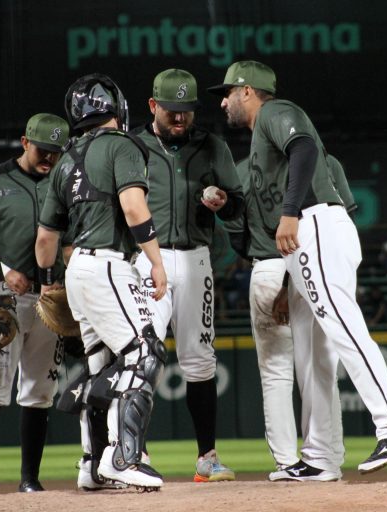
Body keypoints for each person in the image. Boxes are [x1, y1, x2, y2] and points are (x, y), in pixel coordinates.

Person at [210, 61, 387, 480]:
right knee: (313, 356)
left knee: (343, 327)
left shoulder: (276, 112)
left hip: (315, 225)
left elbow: (305, 148)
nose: (223, 100)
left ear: (249, 92)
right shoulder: (258, 143)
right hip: (301, 242)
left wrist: (291, 213)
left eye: (228, 92)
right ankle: (321, 456)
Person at [35, 73, 168, 490]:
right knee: (144, 354)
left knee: (102, 362)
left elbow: (45, 239)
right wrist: (157, 262)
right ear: (115, 108)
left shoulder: (65, 162)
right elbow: (133, 207)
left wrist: (46, 284)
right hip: (109, 266)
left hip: (76, 272)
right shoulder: (124, 145)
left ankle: (92, 465)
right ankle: (124, 458)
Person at [130, 68, 244, 482]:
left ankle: (207, 459)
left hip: (197, 258)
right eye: (172, 111)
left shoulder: (212, 147)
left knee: (200, 361)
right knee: (141, 356)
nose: (180, 118)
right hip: (146, 260)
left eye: (188, 111)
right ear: (153, 106)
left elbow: (238, 208)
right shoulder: (134, 146)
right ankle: (132, 453)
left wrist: (224, 202)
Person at [224, 154, 355, 480]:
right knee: (323, 366)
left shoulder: (243, 169)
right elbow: (345, 217)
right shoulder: (325, 161)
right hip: (319, 262)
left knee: (276, 374)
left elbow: (236, 235)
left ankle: (286, 461)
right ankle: (329, 458)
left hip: (268, 265)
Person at [0, 113, 70, 492]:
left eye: (56, 153)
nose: (49, 159)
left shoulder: (62, 184)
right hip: (3, 299)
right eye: (44, 150)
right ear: (25, 142)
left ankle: (30, 480)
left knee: (40, 391)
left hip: (50, 300)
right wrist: (4, 269)